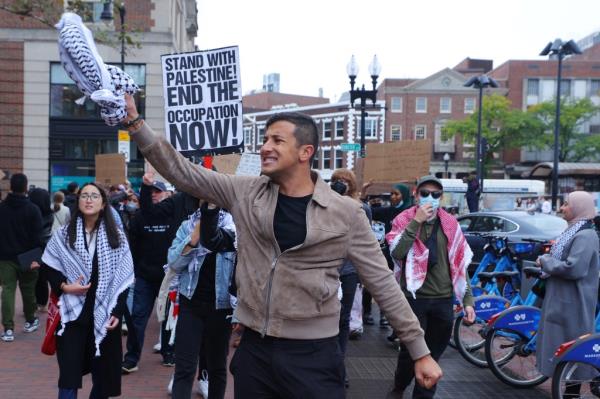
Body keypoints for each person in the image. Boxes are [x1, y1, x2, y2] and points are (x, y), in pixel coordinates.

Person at [122, 94, 442, 398]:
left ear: (306, 152)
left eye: (277, 140)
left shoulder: (346, 213)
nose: (265, 147)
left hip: (315, 356)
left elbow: (382, 282)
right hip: (255, 353)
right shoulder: (245, 192)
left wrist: (420, 351)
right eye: (265, 139)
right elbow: (183, 172)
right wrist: (136, 124)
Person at [41, 182, 134, 399]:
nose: (89, 199)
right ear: (78, 201)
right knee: (68, 376)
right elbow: (49, 265)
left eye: (94, 196)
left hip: (104, 314)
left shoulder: (116, 237)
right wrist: (64, 285)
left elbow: (124, 279)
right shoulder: (64, 234)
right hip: (72, 316)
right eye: (84, 196)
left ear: (103, 204)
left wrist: (117, 313)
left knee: (103, 377)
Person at [386, 175, 475, 398]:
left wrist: (468, 300)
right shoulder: (403, 219)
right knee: (410, 352)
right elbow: (397, 252)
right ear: (416, 195)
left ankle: (422, 395)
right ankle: (398, 387)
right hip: (414, 299)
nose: (430, 198)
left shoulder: (450, 224)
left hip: (443, 299)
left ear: (441, 197)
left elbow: (459, 263)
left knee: (433, 355)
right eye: (425, 193)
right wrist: (416, 221)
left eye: (436, 195)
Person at [168, 200, 236, 399]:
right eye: (205, 196)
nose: (209, 201)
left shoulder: (234, 227)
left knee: (217, 368)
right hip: (191, 304)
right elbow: (173, 262)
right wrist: (193, 238)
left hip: (221, 307)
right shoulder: (187, 226)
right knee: (184, 368)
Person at [535, 191, 599, 387]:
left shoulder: (586, 235)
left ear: (579, 207)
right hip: (564, 300)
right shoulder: (574, 230)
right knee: (565, 349)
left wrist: (545, 261)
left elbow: (575, 268)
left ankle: (572, 393)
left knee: (573, 350)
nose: (562, 208)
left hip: (574, 302)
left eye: (566, 204)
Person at [122, 179, 175, 373]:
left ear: (167, 194)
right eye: (151, 191)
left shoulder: (173, 214)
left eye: (158, 191)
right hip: (144, 277)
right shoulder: (139, 217)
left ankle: (169, 352)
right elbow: (133, 246)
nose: (154, 194)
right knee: (138, 318)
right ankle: (131, 358)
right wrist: (134, 270)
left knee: (168, 317)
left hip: (168, 277)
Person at [331, 168, 372, 388]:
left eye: (345, 181)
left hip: (348, 272)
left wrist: (362, 274)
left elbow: (366, 244)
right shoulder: (324, 204)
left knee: (343, 319)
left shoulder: (362, 208)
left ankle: (339, 366)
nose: (340, 184)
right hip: (326, 270)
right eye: (337, 181)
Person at [361, 181, 412, 328]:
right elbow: (364, 211)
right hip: (383, 254)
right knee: (372, 284)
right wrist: (364, 193)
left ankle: (386, 315)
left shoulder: (410, 213)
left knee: (392, 289)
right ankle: (367, 312)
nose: (393, 197)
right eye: (391, 194)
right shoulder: (387, 211)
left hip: (400, 257)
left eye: (396, 194)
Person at [0, 173, 43, 342]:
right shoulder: (33, 209)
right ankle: (30, 320)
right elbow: (38, 237)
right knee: (28, 290)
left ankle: (8, 329)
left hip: (5, 257)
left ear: (10, 187)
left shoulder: (1, 208)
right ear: (26, 188)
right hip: (28, 257)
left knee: (8, 291)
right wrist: (36, 258)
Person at [28, 187, 54, 312]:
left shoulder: (30, 212)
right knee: (42, 277)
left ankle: (31, 303)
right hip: (45, 248)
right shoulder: (49, 214)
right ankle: (42, 302)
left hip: (31, 248)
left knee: (30, 278)